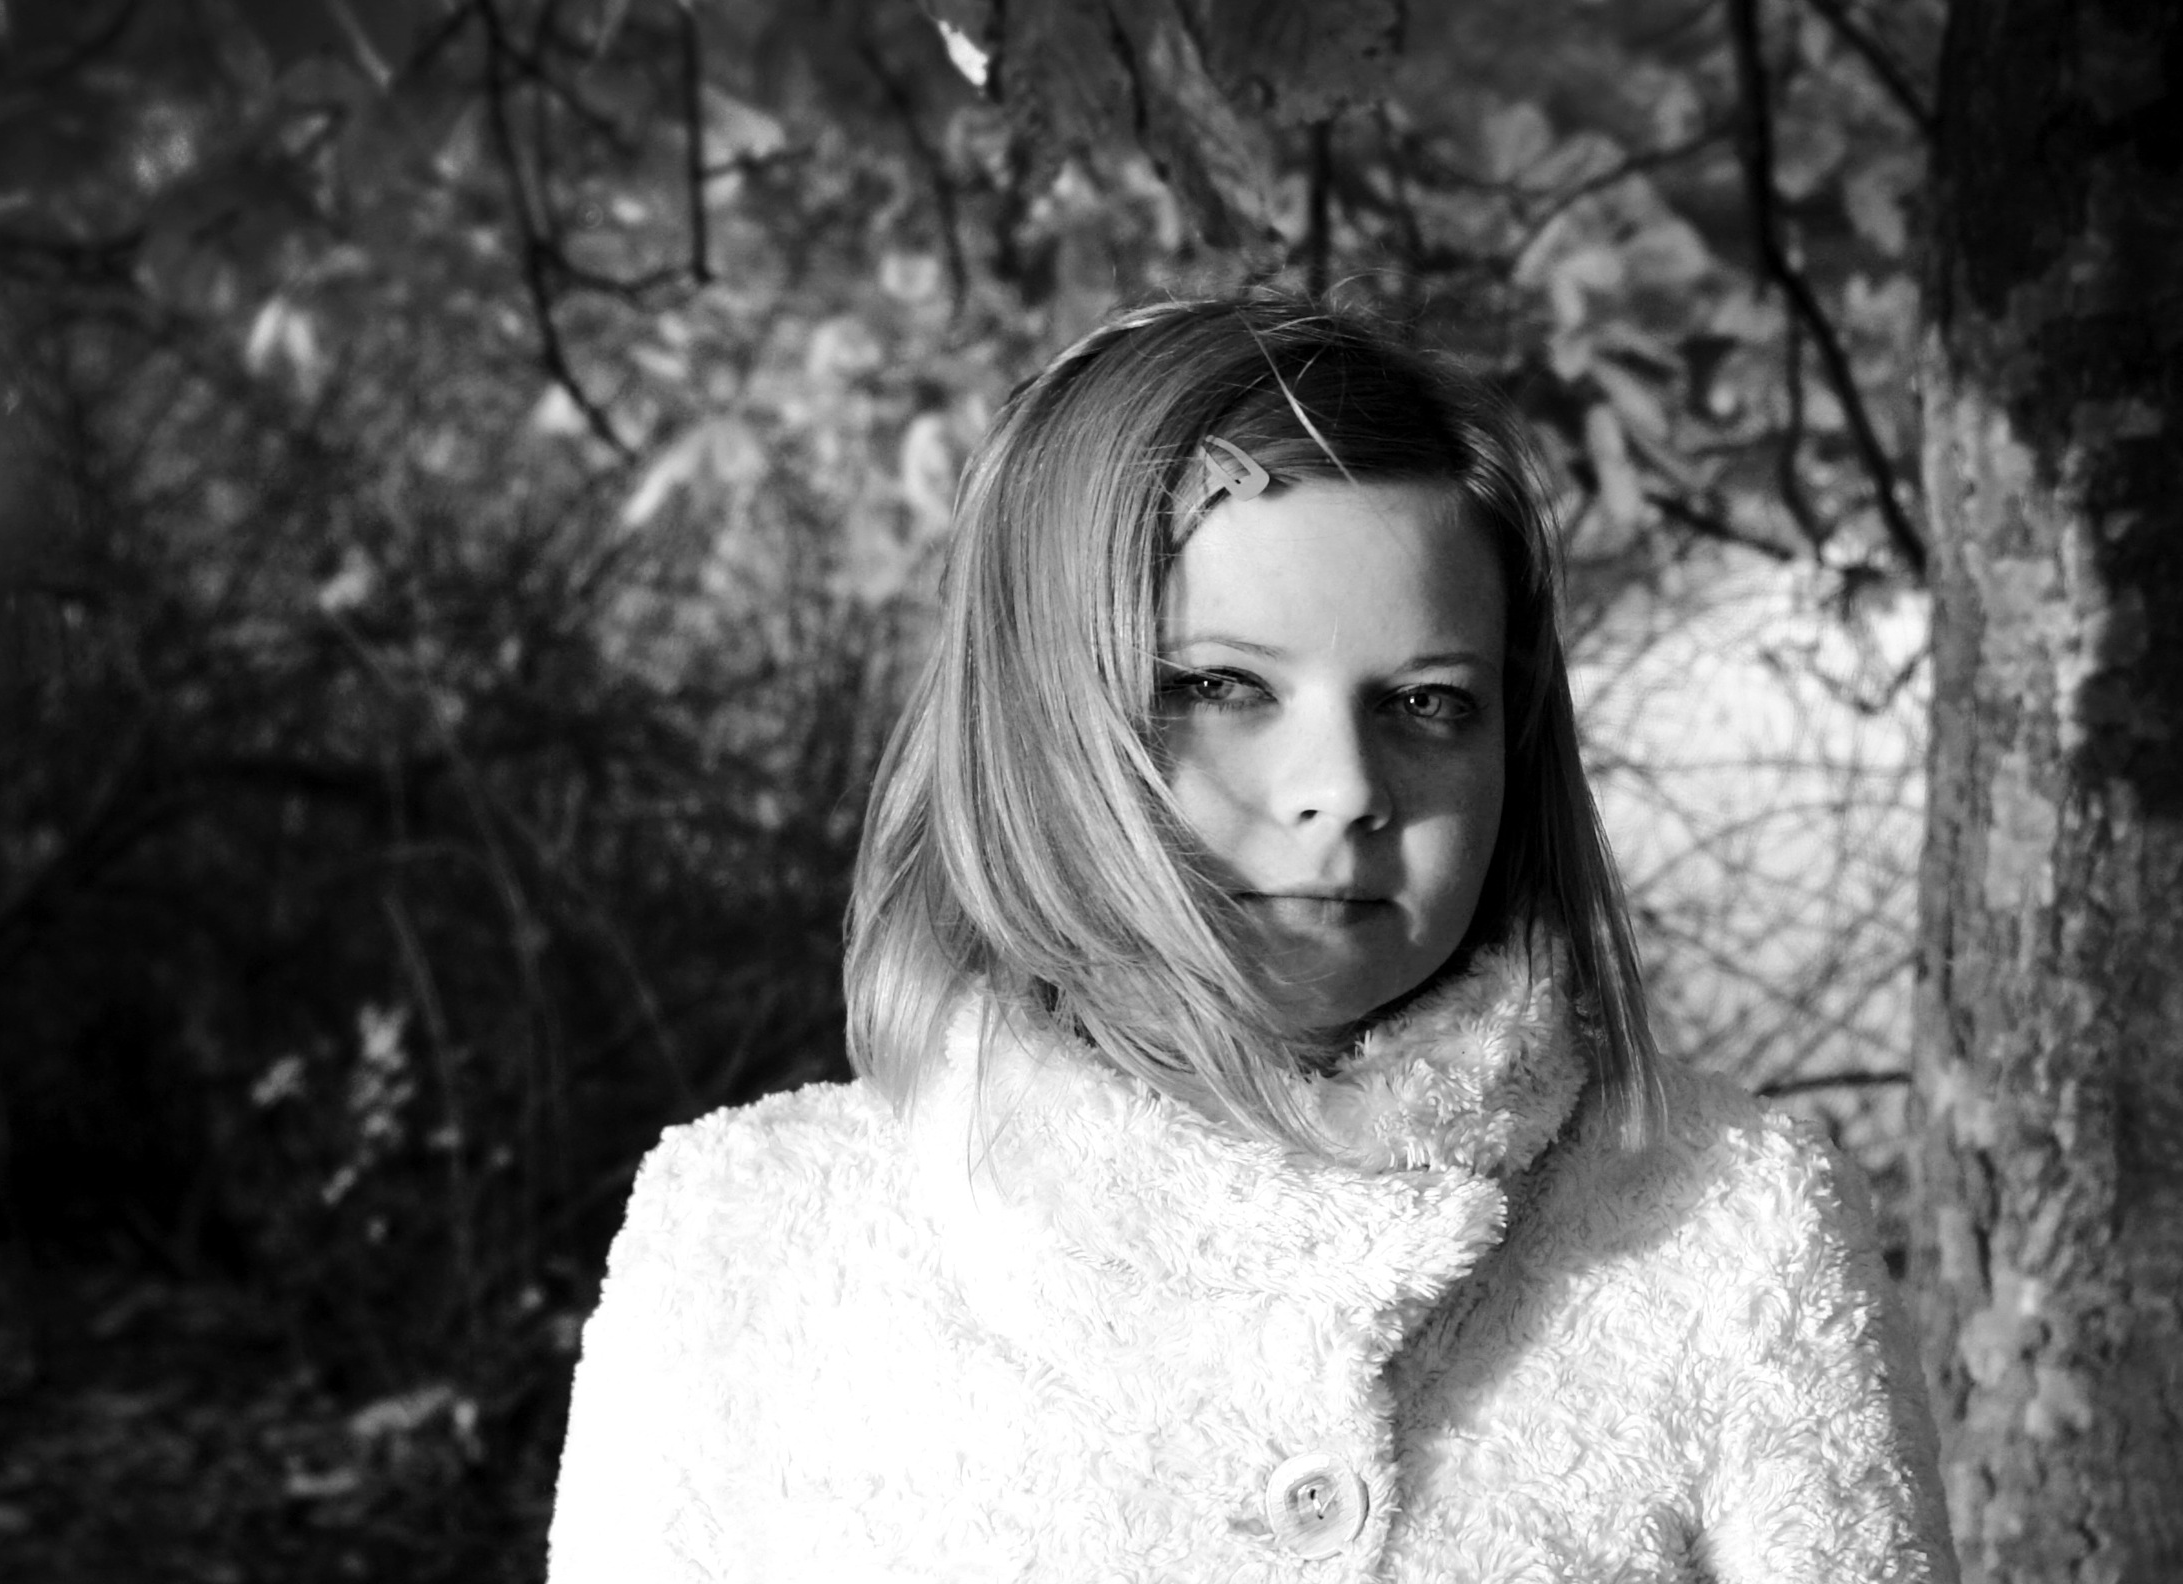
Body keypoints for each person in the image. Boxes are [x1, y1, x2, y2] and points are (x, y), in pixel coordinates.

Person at [545, 296, 1956, 1582]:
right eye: (1220, 685)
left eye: (1426, 702)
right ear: (1035, 719)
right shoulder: (752, 1240)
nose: (1341, 786)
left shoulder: (1723, 1221)